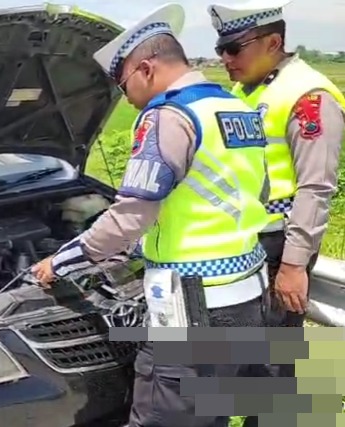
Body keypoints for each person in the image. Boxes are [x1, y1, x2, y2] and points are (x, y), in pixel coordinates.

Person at [31, 3, 272, 426]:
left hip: (194, 310)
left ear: (146, 69)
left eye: (123, 84)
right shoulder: (234, 107)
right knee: (211, 413)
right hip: (247, 295)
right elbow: (256, 191)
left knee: (162, 416)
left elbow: (130, 216)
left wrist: (60, 261)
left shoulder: (168, 116)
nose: (125, 97)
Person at [206, 2, 345, 426]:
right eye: (220, 49)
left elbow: (316, 188)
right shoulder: (246, 91)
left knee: (272, 362)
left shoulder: (308, 96)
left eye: (234, 48)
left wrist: (294, 265)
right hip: (246, 246)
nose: (225, 59)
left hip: (280, 247)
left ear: (273, 42)